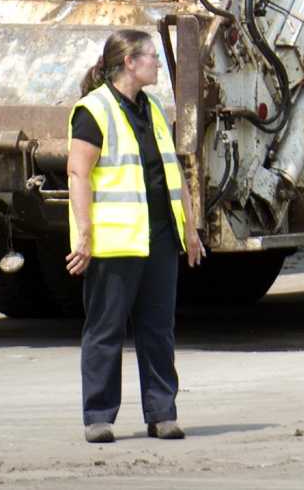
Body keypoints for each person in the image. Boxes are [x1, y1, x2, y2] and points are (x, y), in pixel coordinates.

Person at [64, 28, 203, 443]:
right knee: (105, 329)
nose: (158, 64)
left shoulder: (155, 108)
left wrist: (189, 228)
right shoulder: (94, 110)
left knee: (158, 329)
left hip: (159, 237)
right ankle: (99, 417)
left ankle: (162, 413)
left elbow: (173, 171)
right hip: (115, 241)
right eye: (152, 57)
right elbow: (78, 173)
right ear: (130, 63)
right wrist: (84, 234)